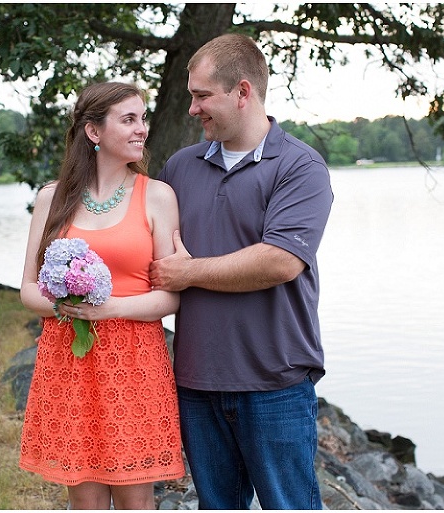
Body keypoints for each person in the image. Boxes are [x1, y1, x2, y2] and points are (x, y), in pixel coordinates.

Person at [149, 34, 334, 510]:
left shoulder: (300, 166)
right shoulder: (180, 167)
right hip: (196, 380)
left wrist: (189, 273)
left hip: (274, 381)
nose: (193, 108)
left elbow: (280, 260)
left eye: (201, 95)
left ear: (243, 92)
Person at [18, 82, 185, 510]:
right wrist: (65, 305)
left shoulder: (158, 196)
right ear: (94, 132)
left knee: (136, 499)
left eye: (143, 118)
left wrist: (110, 308)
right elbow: (29, 291)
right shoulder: (51, 199)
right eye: (129, 119)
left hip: (134, 361)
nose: (142, 129)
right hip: (69, 359)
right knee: (84, 499)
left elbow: (169, 298)